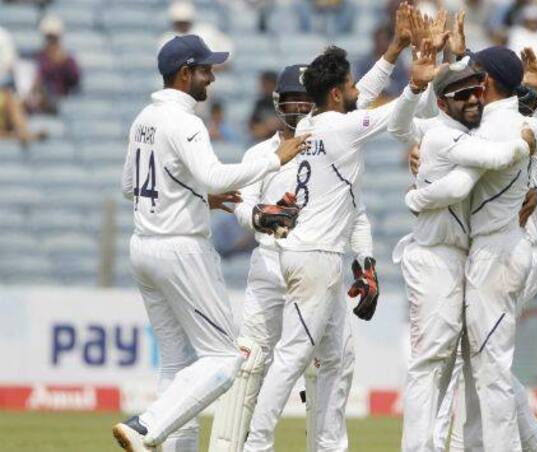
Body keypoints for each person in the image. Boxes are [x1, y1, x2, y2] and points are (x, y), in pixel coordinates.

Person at [242, 4, 435, 450]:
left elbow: (361, 96)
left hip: (307, 254)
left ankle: (329, 446)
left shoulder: (312, 124)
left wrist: (394, 50)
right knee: (292, 357)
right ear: (334, 94)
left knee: (337, 357)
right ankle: (256, 444)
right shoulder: (344, 130)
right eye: (348, 84)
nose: (354, 89)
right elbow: (392, 115)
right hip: (316, 259)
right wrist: (419, 82)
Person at [112, 34, 308, 452]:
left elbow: (131, 186)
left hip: (143, 246)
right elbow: (214, 176)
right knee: (224, 358)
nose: (211, 79)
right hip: (180, 249)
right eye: (205, 70)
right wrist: (275, 158)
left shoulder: (144, 118)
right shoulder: (185, 122)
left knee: (177, 363)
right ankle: (146, 426)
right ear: (185, 73)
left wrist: (198, 198)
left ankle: (165, 440)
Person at [406, 45, 537, 452]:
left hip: (494, 254)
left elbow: (457, 180)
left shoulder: (488, 132)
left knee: (489, 368)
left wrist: (420, 187)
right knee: (480, 363)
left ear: (488, 82)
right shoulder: (526, 123)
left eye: (477, 75)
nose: (472, 82)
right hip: (505, 251)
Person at [209, 62, 381, 451]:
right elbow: (242, 203)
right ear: (278, 103)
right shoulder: (262, 153)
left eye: (305, 99)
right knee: (252, 360)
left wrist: (365, 258)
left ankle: (326, 446)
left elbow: (355, 212)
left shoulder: (332, 143)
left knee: (334, 360)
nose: (300, 106)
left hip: (319, 262)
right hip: (271, 265)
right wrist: (258, 217)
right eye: (291, 99)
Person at [29, 15, 81, 114]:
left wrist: (63, 62)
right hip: (42, 99)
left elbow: (75, 79)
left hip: (61, 98)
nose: (51, 41)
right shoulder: (39, 57)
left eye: (54, 38)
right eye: (49, 37)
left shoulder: (68, 58)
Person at [353, 25, 410, 101]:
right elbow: (357, 83)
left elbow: (404, 85)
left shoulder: (399, 63)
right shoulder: (364, 62)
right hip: (369, 101)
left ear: (389, 41)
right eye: (376, 39)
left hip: (392, 100)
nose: (378, 43)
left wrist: (389, 86)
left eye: (381, 40)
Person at [249, 71, 281, 142]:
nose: (262, 87)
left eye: (265, 84)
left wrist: (275, 124)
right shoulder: (260, 103)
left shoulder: (284, 101)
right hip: (263, 139)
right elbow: (252, 126)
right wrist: (265, 127)